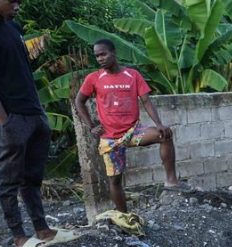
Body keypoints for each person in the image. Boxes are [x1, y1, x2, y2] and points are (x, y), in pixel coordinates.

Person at [0, 0, 57, 247]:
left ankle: (41, 227)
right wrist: (5, 122)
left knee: (33, 177)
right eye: (13, 0)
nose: (17, 5)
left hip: (34, 113)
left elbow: (23, 72)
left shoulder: (13, 27)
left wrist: (39, 112)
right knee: (9, 180)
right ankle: (18, 235)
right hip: (11, 116)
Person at [74, 39, 180, 212]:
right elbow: (79, 101)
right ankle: (124, 216)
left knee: (165, 135)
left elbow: (146, 100)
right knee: (115, 181)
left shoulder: (133, 75)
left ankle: (171, 181)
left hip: (134, 131)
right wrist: (91, 126)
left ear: (114, 53)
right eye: (97, 56)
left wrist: (158, 123)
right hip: (110, 138)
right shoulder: (94, 78)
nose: (100, 58)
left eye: (103, 54)